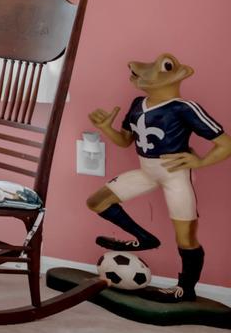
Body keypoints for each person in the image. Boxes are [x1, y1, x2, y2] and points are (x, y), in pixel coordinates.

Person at [87, 52, 230, 302]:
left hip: (175, 176)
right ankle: (144, 238)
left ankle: (186, 288)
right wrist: (106, 129)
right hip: (147, 171)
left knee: (186, 238)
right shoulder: (136, 103)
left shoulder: (185, 108)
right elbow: (126, 141)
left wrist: (201, 161)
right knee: (97, 201)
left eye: (164, 67)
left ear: (179, 74)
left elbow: (226, 144)